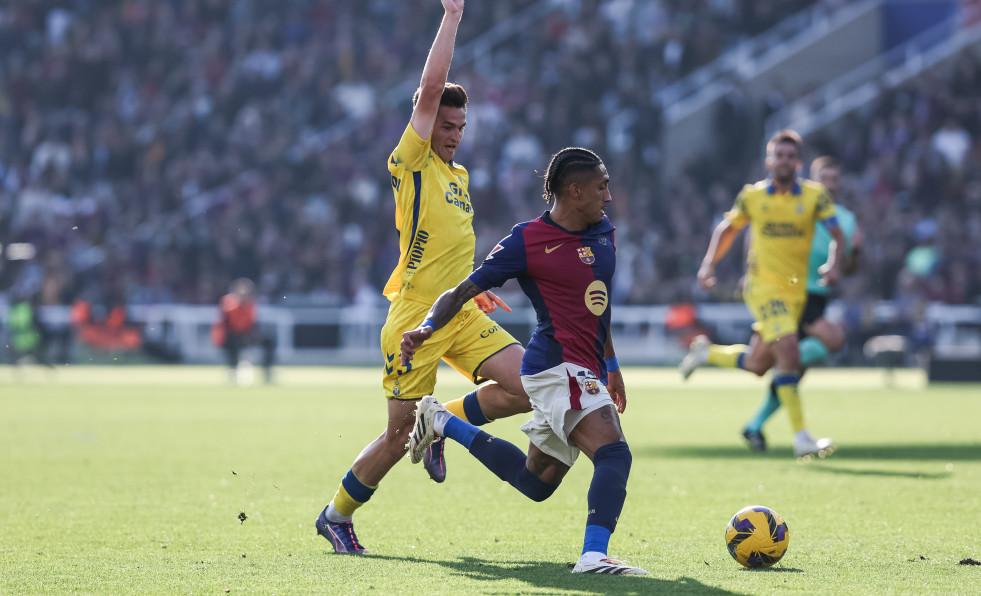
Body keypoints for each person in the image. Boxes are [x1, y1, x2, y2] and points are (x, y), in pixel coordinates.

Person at [315, 0, 531, 555]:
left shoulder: (458, 176)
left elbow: (451, 250)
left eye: (461, 126)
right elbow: (431, 86)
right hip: (415, 319)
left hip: (459, 313)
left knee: (528, 388)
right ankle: (337, 514)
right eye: (446, 123)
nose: (455, 134)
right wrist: (453, 17)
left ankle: (440, 423)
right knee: (394, 436)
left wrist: (473, 294)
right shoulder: (412, 163)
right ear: (427, 119)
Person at [401, 147, 648, 575]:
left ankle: (441, 421)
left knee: (535, 483)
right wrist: (426, 326)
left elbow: (597, 306)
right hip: (556, 365)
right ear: (574, 191)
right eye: (602, 186)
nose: (609, 196)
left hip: (583, 366)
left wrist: (611, 365)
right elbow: (461, 290)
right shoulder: (527, 240)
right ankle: (593, 556)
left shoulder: (603, 231)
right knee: (614, 454)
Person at [679, 130, 846, 459]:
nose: (783, 161)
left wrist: (833, 264)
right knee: (790, 356)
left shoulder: (815, 197)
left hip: (795, 292)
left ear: (798, 163)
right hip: (763, 288)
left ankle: (705, 354)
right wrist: (708, 264)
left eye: (789, 156)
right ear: (768, 161)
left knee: (758, 364)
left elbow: (837, 234)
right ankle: (801, 438)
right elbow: (728, 229)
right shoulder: (753, 196)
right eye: (777, 155)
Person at [739, 156, 863, 451]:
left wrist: (851, 257)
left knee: (776, 367)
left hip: (816, 295)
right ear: (811, 178)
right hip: (789, 291)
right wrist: (750, 271)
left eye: (834, 179)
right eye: (824, 178)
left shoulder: (844, 219)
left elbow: (851, 263)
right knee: (833, 339)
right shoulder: (798, 207)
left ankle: (754, 426)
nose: (829, 184)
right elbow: (756, 235)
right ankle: (799, 435)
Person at [212, 278, 274, 385]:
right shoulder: (228, 303)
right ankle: (233, 370)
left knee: (269, 340)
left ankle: (267, 370)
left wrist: (252, 336)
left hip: (246, 334)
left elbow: (252, 323)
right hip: (231, 335)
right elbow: (225, 324)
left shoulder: (251, 304)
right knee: (233, 343)